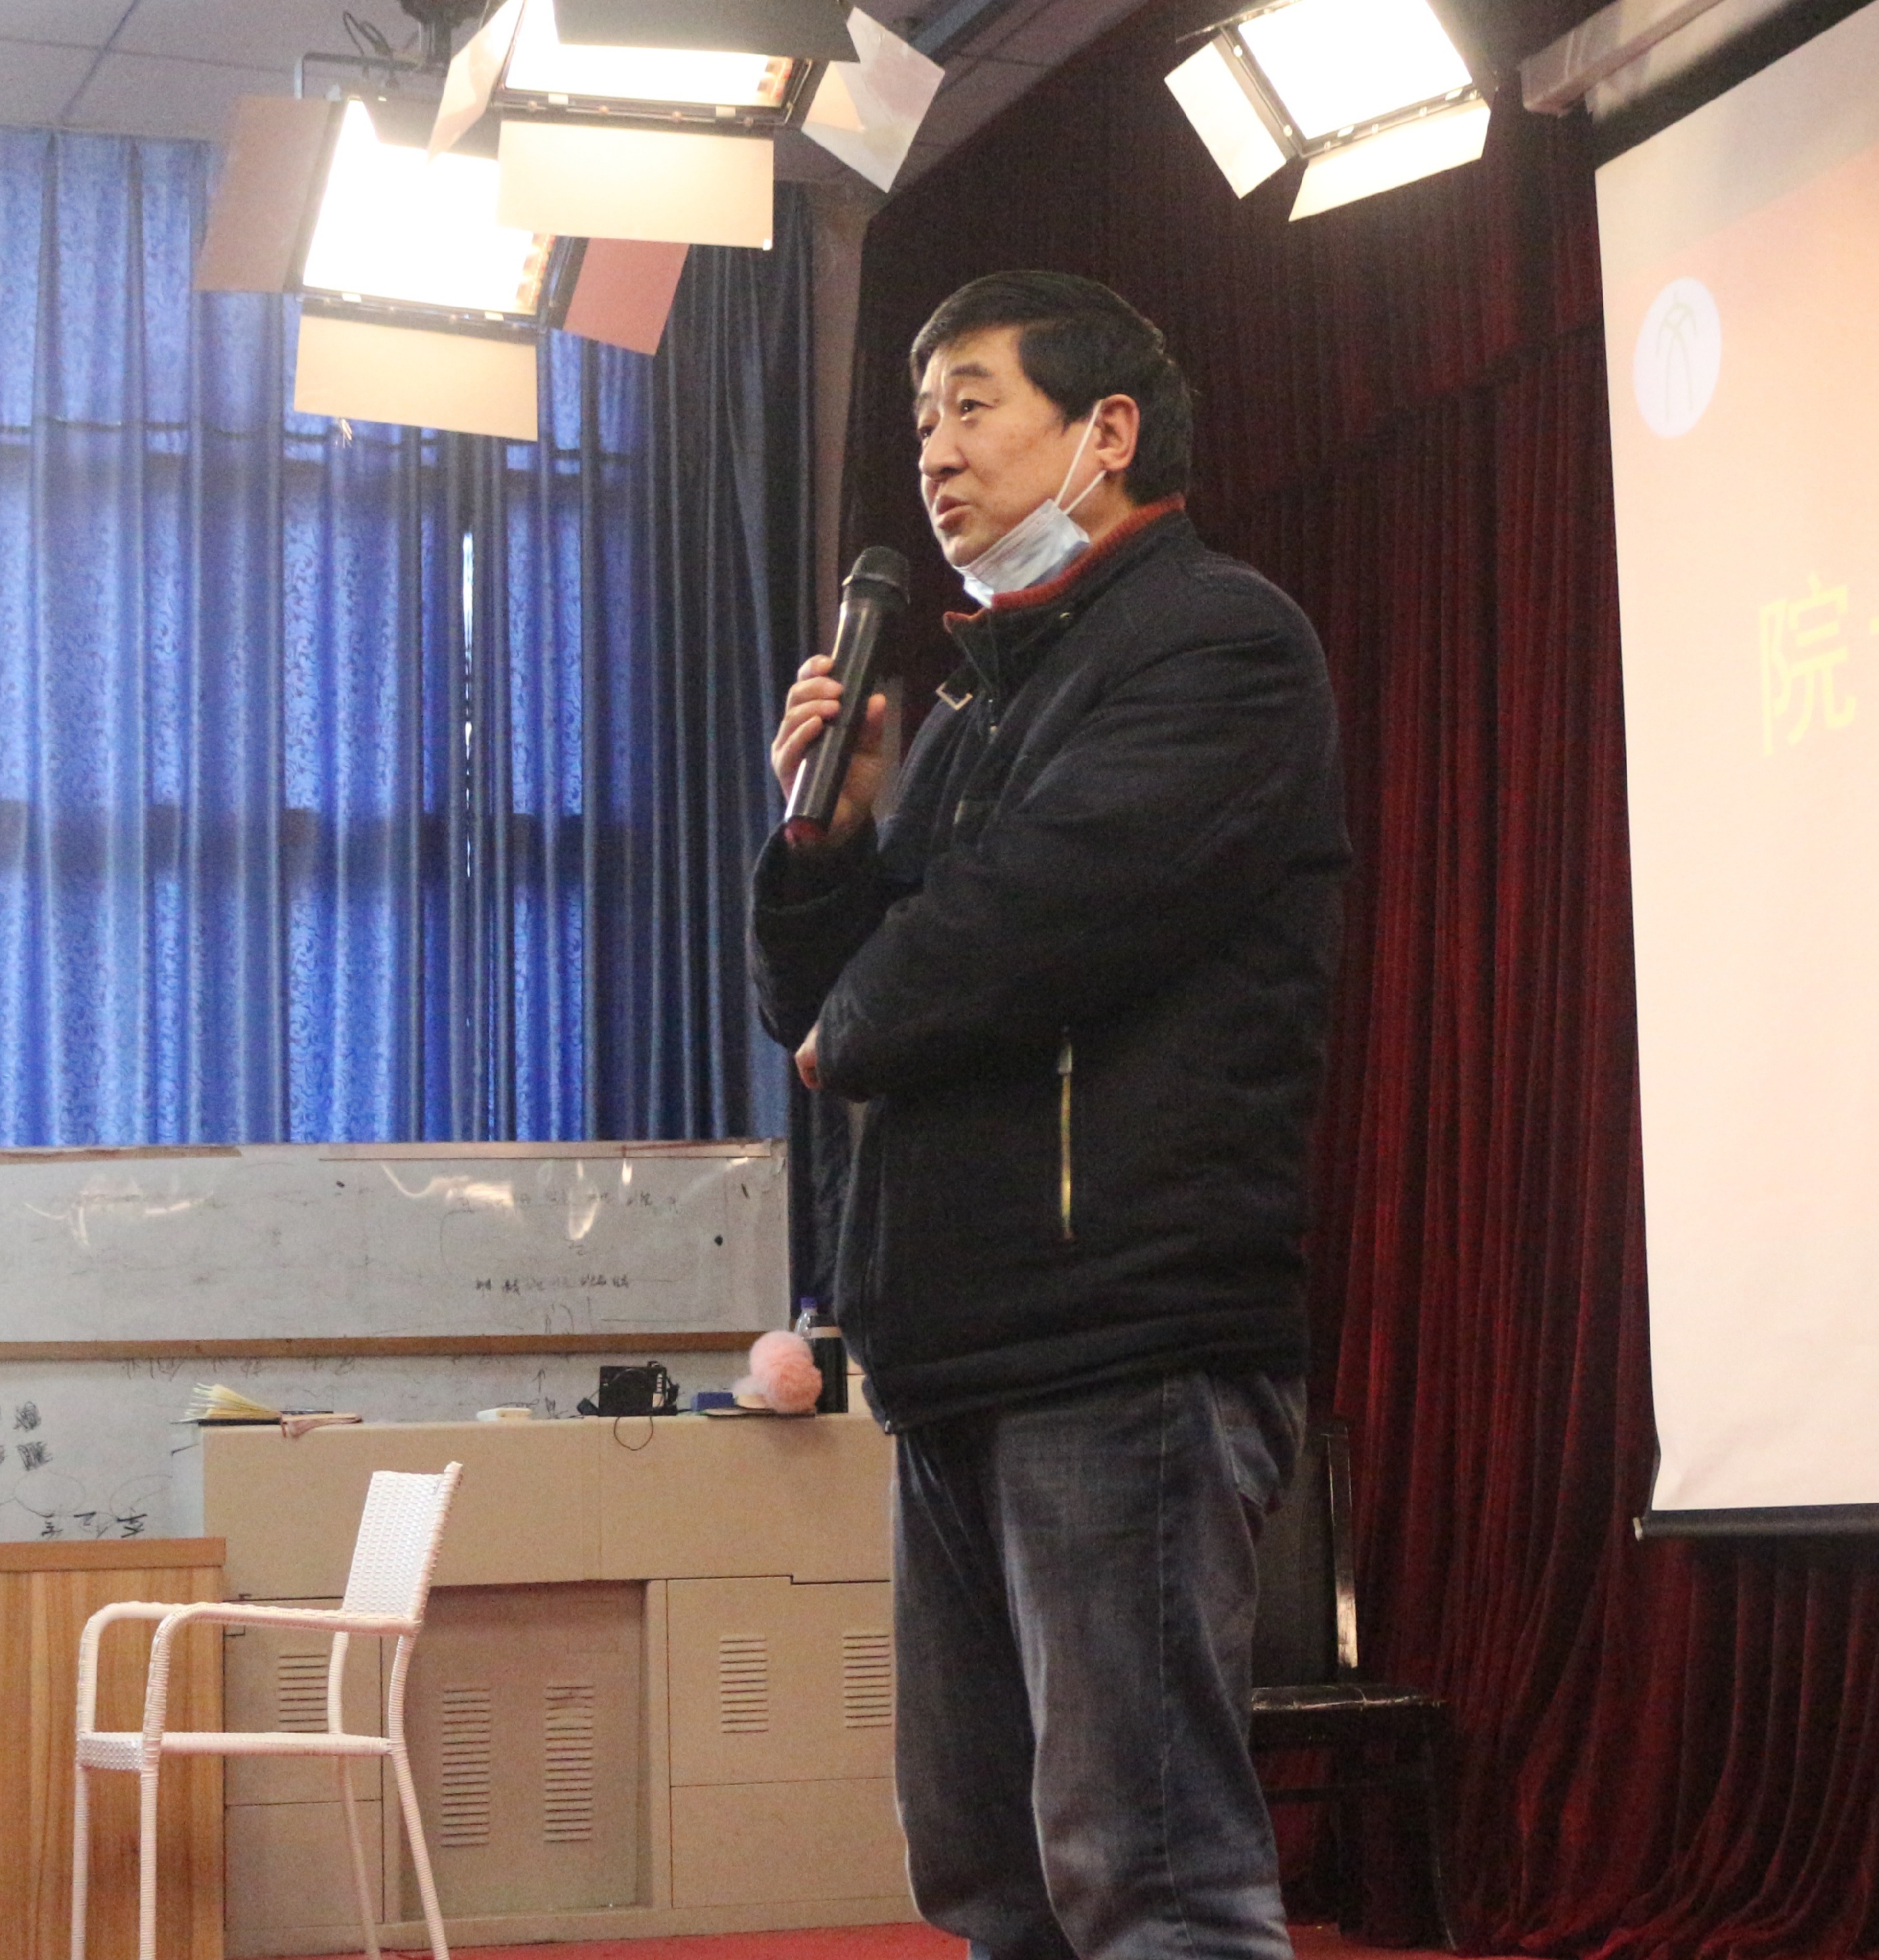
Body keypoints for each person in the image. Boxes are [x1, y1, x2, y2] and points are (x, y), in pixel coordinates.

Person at [752, 270, 1350, 1960]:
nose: (933, 454)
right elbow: (820, 1012)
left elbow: (1036, 918)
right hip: (955, 1348)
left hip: (1122, 1341)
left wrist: (855, 1016)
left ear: (1108, 429)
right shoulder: (961, 712)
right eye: (919, 420)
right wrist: (823, 845)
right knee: (986, 1874)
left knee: (1148, 1879)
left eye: (972, 405)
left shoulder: (1219, 642)